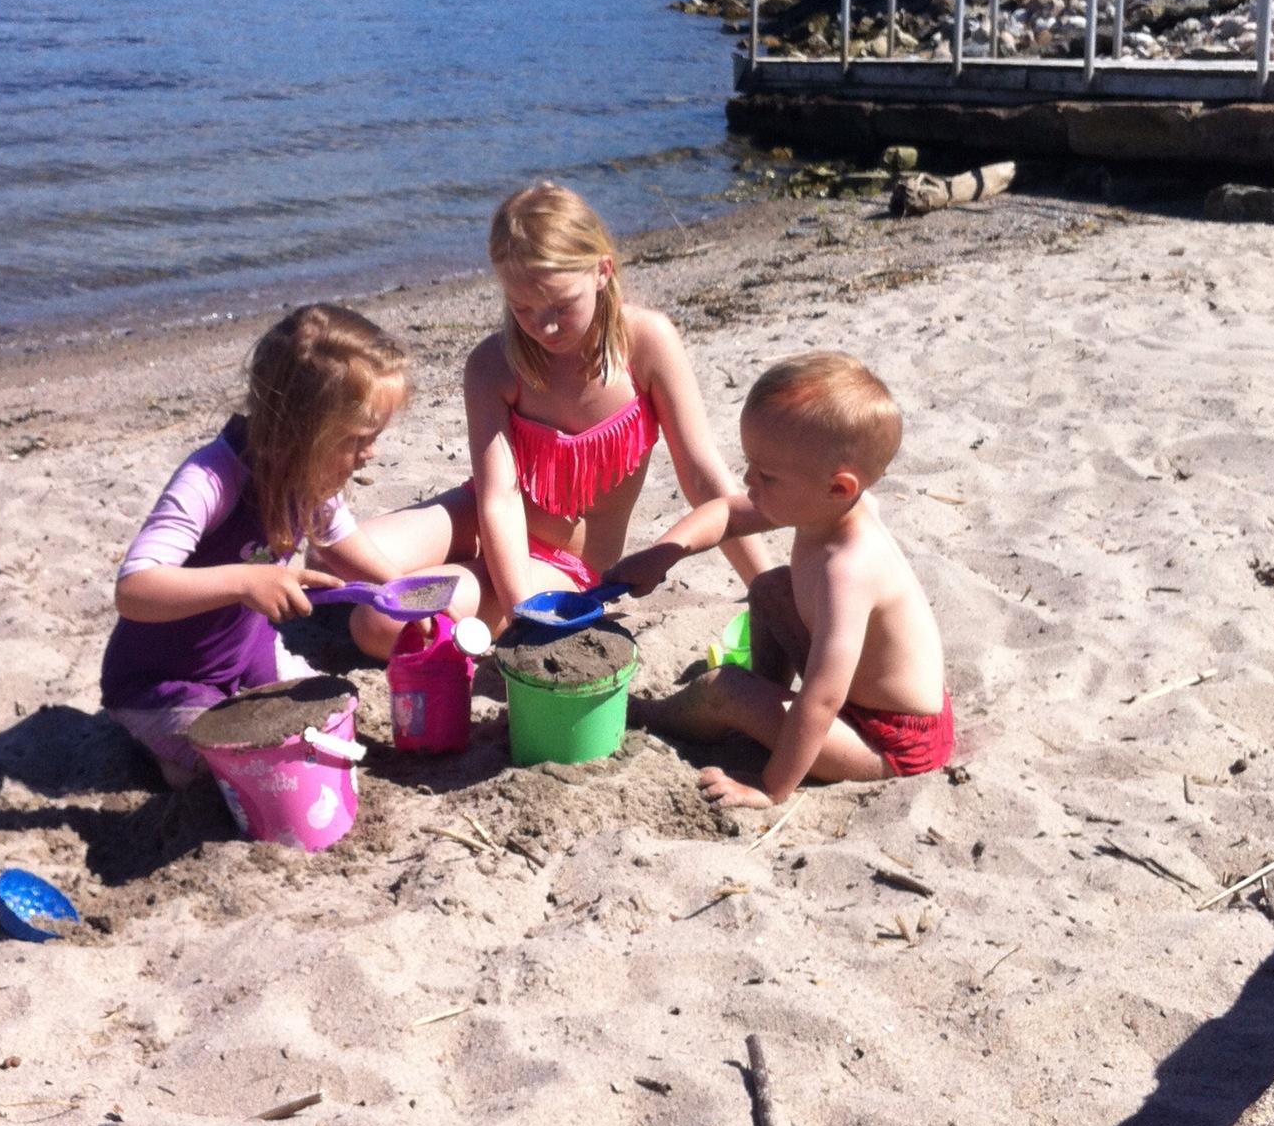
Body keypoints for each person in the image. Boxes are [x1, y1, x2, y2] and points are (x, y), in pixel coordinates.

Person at [349, 182, 771, 657]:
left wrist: (767, 586)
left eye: (560, 306)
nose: (543, 326)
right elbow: (499, 499)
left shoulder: (647, 344)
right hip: (482, 516)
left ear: (602, 271)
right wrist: (520, 607)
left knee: (381, 622)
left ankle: (460, 585)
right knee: (338, 559)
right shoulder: (494, 364)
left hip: (560, 563)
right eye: (522, 308)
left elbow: (702, 477)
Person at [609, 352, 951, 807]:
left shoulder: (847, 570)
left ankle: (650, 714)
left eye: (766, 475)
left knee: (722, 690)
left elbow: (823, 699)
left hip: (889, 743)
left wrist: (769, 788)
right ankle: (762, 700)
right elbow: (728, 513)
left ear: (838, 487)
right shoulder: (824, 507)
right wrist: (662, 555)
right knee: (771, 587)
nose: (749, 481)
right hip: (859, 700)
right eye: (750, 464)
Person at [100, 303, 418, 786]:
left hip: (247, 654)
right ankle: (159, 747)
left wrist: (398, 588)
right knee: (239, 769)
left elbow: (339, 539)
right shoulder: (211, 479)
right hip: (160, 680)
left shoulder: (310, 475)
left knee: (331, 712)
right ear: (301, 432)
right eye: (358, 438)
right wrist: (247, 580)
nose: (370, 452)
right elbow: (135, 589)